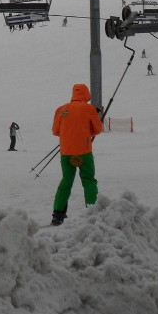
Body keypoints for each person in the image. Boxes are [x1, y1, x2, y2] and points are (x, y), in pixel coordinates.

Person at [51, 83, 103, 225]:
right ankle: (92, 211)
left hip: (66, 152)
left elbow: (55, 131)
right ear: (86, 94)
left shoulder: (61, 109)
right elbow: (98, 129)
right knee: (88, 180)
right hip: (84, 152)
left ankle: (58, 214)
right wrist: (87, 132)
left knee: (66, 181)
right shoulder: (89, 109)